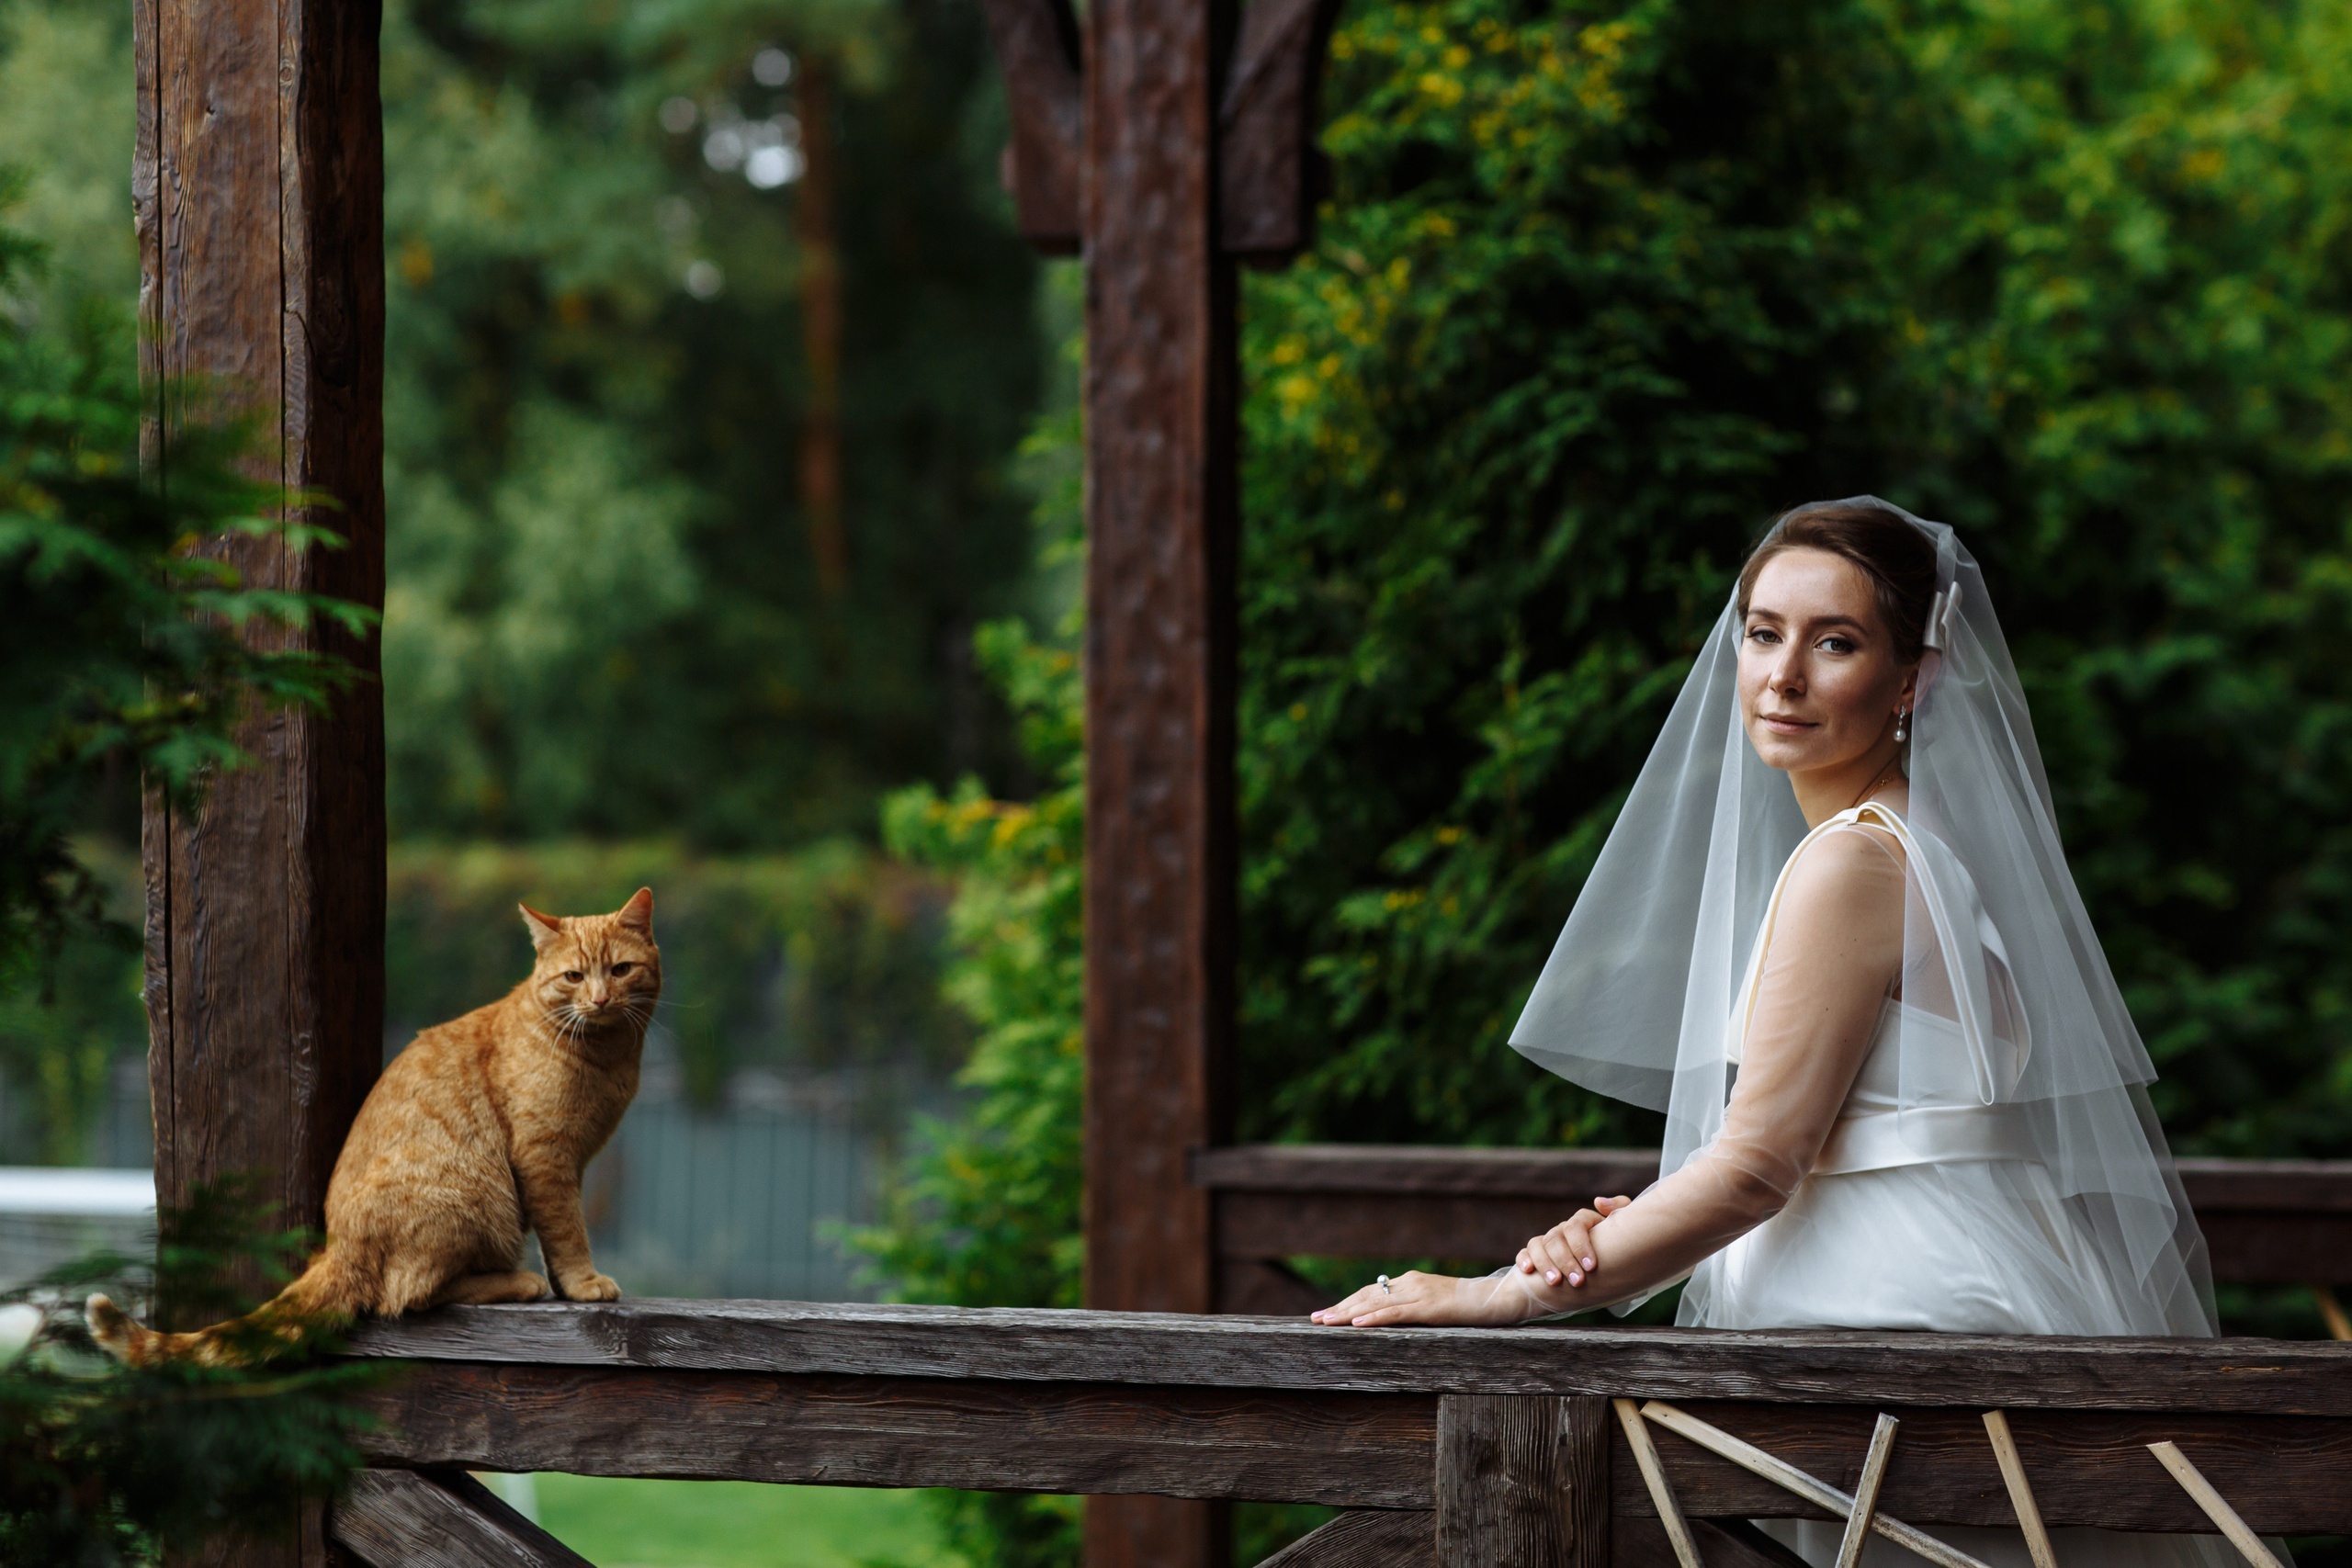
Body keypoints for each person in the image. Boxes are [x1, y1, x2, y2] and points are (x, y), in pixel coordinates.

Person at [1310, 499, 2236, 1568]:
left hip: (1898, 1345)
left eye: (1833, 642)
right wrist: (1609, 1240)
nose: (1782, 674)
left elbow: (1755, 1165)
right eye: (1763, 632)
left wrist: (1500, 1293)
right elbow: (1812, 1141)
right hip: (1923, 1320)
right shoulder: (1915, 848)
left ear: (1910, 680)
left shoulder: (1854, 862)